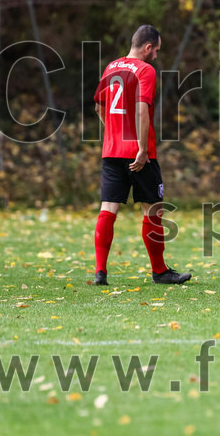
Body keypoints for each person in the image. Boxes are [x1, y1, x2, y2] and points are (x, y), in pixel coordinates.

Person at [92, 25, 191, 286]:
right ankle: (159, 271)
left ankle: (100, 272)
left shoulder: (111, 66)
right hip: (138, 153)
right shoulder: (146, 70)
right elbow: (141, 110)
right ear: (147, 48)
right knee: (153, 209)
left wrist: (114, 132)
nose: (156, 56)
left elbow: (99, 106)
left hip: (112, 150)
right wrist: (142, 149)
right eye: (156, 50)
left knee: (108, 209)